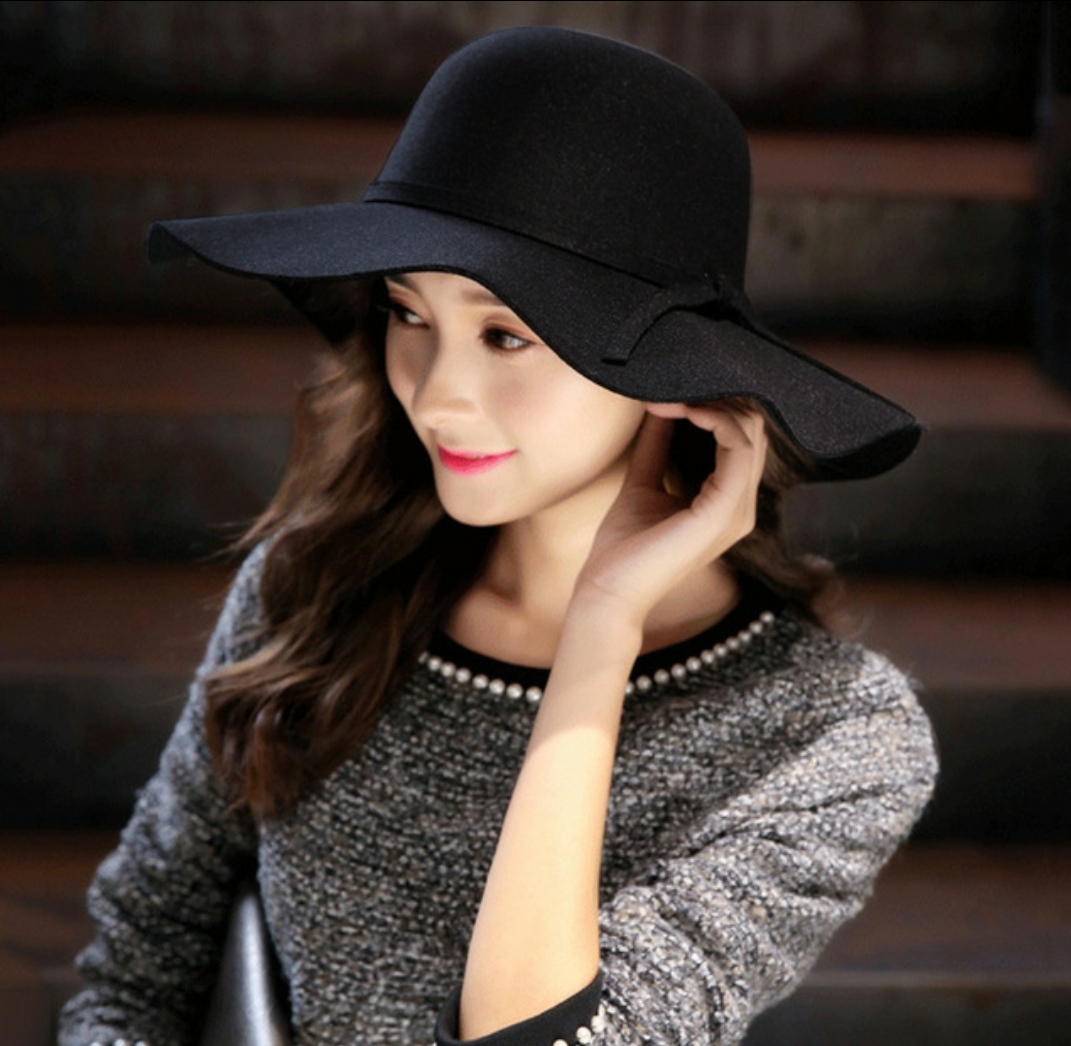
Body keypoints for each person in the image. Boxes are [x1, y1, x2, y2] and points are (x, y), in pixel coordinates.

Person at [60, 25, 937, 1046]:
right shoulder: (313, 589)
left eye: (505, 334)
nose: (437, 395)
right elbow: (132, 977)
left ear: (677, 378)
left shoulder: (831, 734)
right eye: (408, 313)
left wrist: (600, 631)